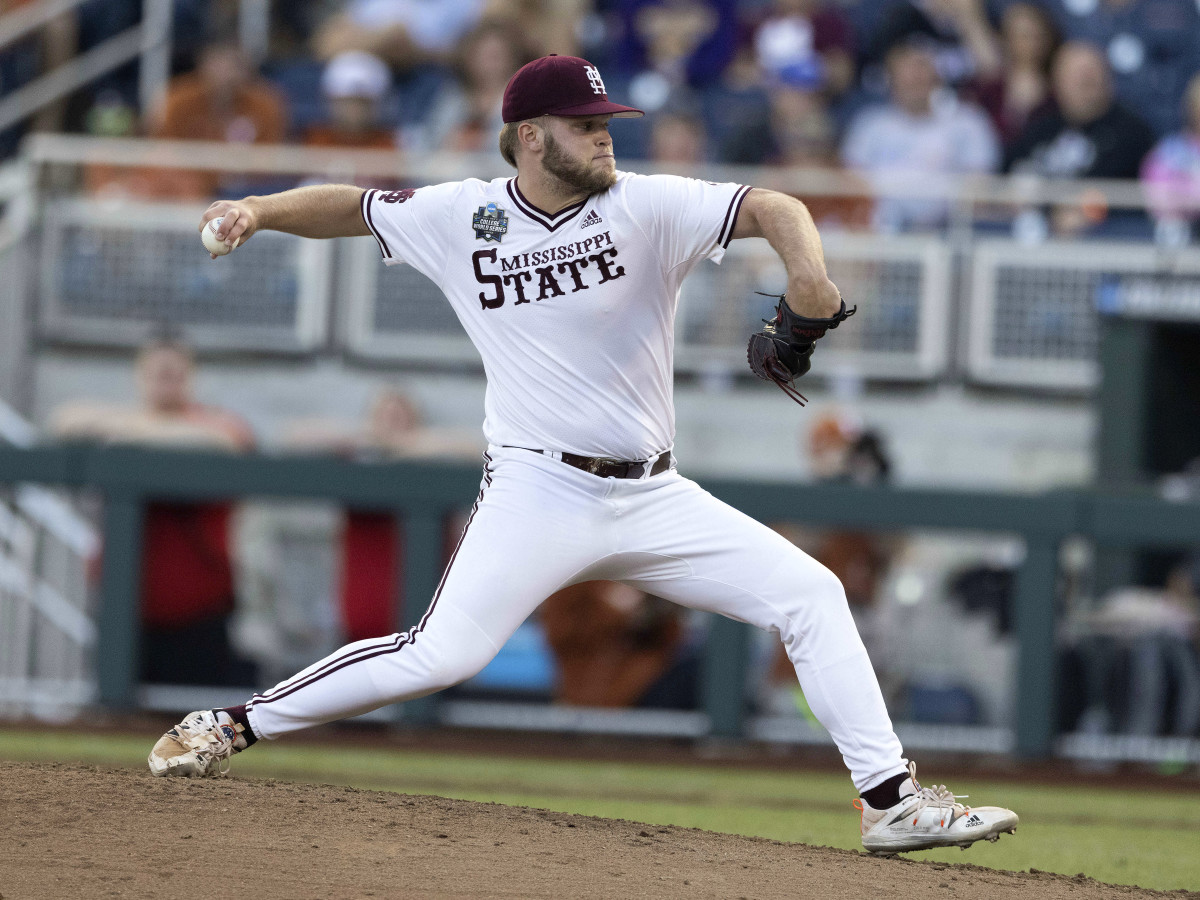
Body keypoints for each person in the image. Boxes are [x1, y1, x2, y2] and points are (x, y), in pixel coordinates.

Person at [148, 53, 1018, 854]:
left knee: (811, 594)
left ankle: (890, 802)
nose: (605, 134)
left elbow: (774, 207)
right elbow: (354, 205)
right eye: (585, 122)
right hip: (538, 489)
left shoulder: (644, 204)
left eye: (607, 121)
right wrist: (257, 210)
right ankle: (232, 723)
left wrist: (810, 279)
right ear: (531, 137)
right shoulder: (466, 215)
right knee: (440, 656)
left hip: (653, 492)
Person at [52, 335, 256, 686]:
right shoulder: (122, 420)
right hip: (125, 613)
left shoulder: (215, 424)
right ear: (139, 376)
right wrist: (140, 427)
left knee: (198, 729)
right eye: (158, 373)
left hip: (200, 617)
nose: (167, 382)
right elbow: (64, 420)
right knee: (116, 717)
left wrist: (139, 432)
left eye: (175, 373)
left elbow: (227, 441)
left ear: (192, 378)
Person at [841, 41, 1000, 231]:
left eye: (921, 70)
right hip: (880, 230)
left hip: (950, 230)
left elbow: (980, 182)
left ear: (937, 77)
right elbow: (852, 181)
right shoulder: (870, 125)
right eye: (907, 73)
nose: (914, 79)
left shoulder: (967, 122)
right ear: (892, 79)